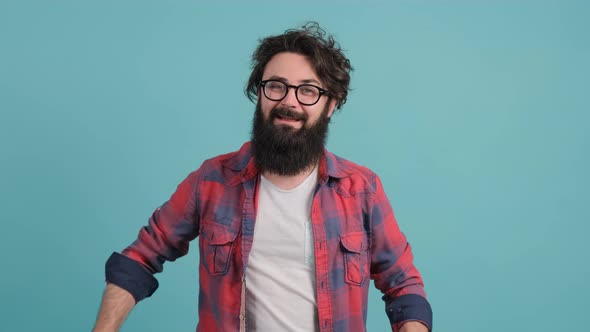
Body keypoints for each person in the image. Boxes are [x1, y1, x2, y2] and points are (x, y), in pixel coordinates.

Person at [93, 22, 433, 332]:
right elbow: (139, 259)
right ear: (260, 92)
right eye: (276, 86)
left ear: (331, 104)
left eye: (308, 91)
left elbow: (404, 287)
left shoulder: (361, 189)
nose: (289, 102)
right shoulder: (211, 180)